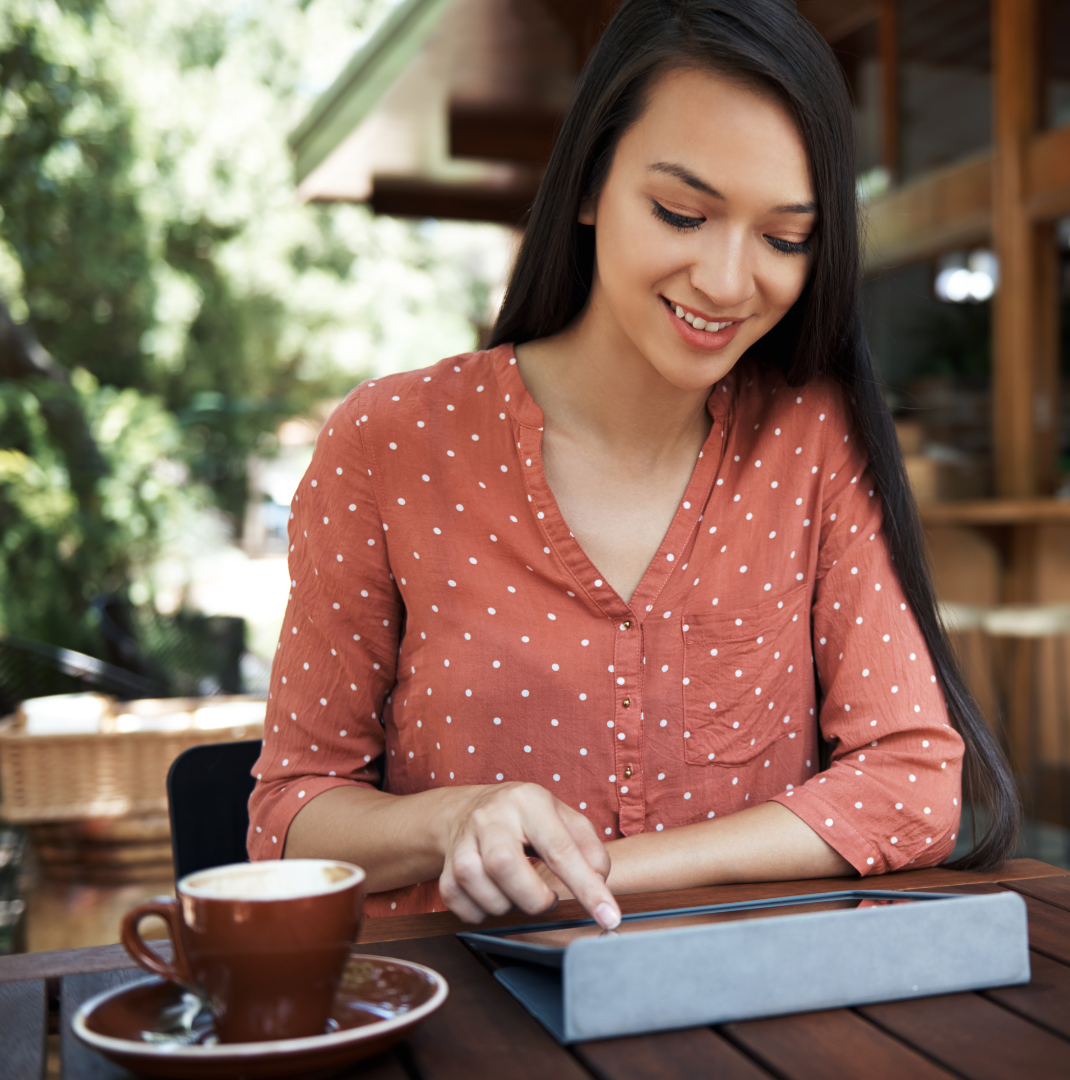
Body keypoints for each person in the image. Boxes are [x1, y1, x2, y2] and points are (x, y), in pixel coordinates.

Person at [248, 0, 1020, 929]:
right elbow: (291, 817)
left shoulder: (812, 437)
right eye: (681, 213)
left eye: (784, 238)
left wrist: (601, 872)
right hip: (471, 1023)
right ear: (585, 185)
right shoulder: (392, 441)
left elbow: (913, 784)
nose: (730, 282)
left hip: (748, 1012)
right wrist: (456, 818)